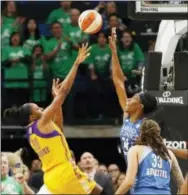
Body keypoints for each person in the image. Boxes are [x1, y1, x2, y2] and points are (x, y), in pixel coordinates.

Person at [4, 44, 102, 195]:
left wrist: (57, 103)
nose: (41, 109)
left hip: (51, 177)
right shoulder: (41, 122)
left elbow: (59, 129)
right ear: (32, 116)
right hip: (65, 172)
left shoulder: (32, 132)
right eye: (37, 108)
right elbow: (64, 91)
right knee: (98, 192)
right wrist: (76, 63)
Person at [109, 27, 159, 162]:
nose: (129, 99)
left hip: (143, 177)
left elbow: (158, 155)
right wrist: (114, 52)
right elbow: (118, 81)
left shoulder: (146, 127)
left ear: (140, 106)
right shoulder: (127, 116)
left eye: (134, 99)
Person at [115, 119, 184, 195]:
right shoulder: (169, 154)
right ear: (158, 134)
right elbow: (182, 186)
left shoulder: (136, 149)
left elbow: (129, 182)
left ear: (141, 133)